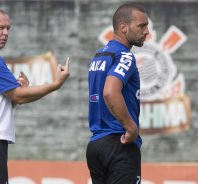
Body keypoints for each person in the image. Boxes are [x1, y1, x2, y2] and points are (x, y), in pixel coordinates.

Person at [0, 8, 70, 184]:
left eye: (8, 28)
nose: (5, 33)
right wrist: (55, 84)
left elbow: (4, 101)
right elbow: (19, 96)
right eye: (0, 27)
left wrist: (17, 96)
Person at [87, 3, 149, 184]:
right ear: (123, 27)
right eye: (141, 26)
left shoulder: (99, 56)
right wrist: (131, 128)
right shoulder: (124, 56)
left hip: (96, 145)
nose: (147, 32)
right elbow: (109, 92)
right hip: (119, 143)